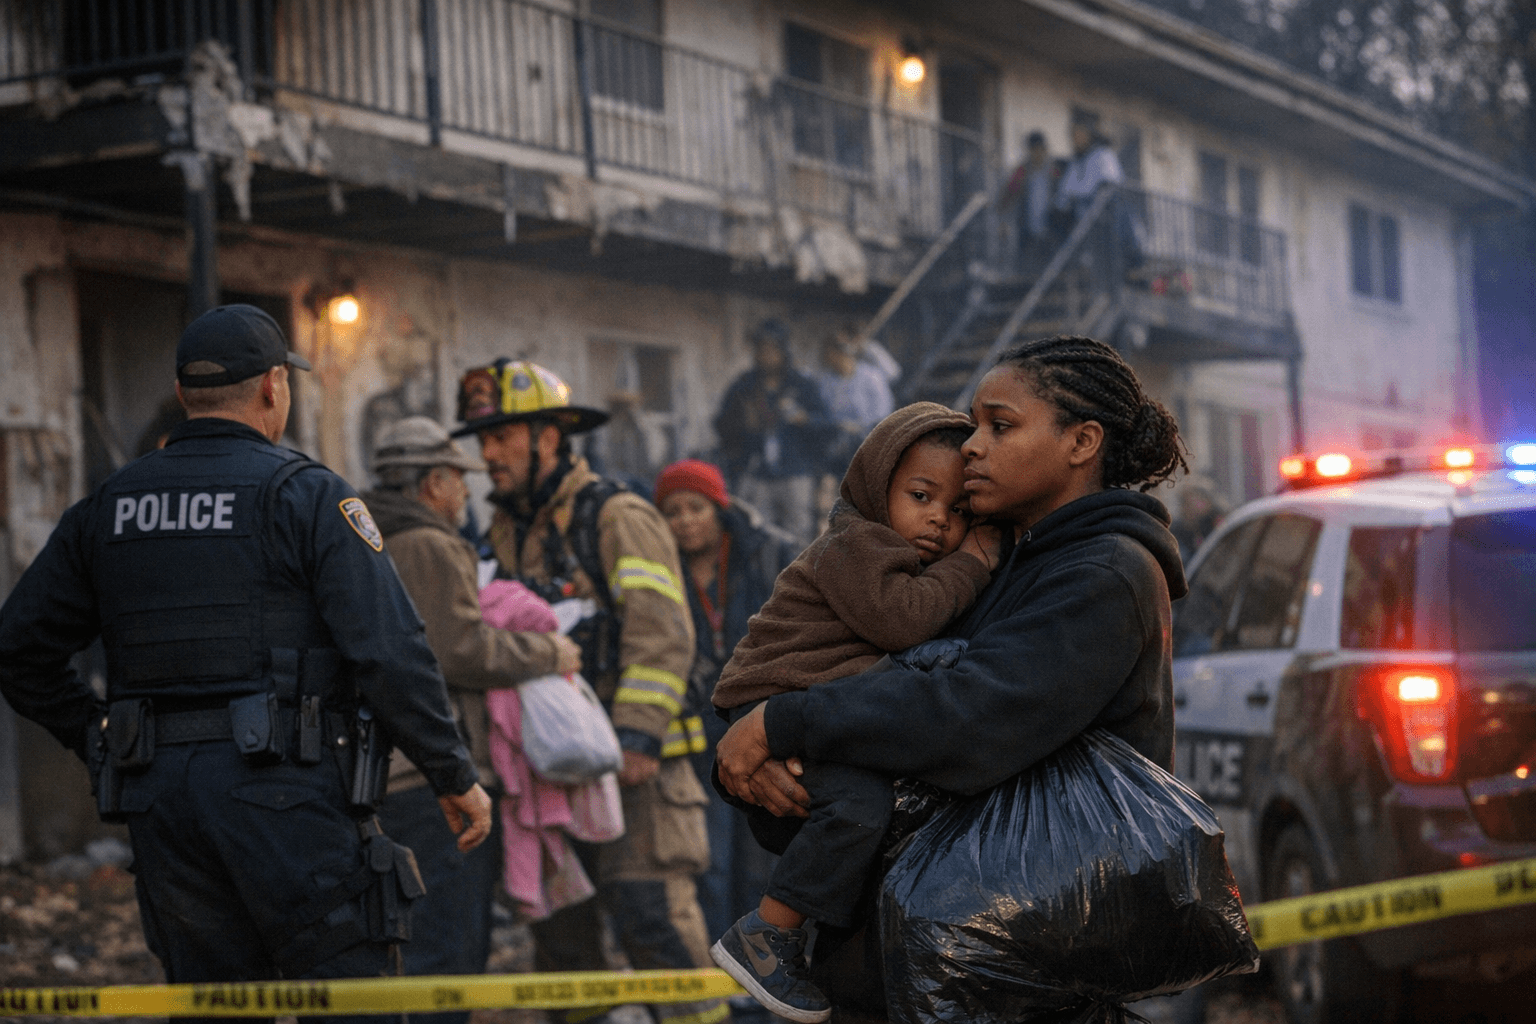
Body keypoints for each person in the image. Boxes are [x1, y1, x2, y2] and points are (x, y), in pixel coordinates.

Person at [0, 305, 492, 1021]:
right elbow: (389, 648)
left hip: (161, 805)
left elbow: (18, 648)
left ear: (183, 392)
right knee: (353, 1001)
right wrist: (453, 773)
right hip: (289, 798)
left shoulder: (108, 506)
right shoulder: (308, 494)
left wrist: (97, 734)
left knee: (219, 1008)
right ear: (272, 386)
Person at [714, 335, 1189, 1013]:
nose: (972, 447)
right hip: (926, 957)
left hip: (1006, 972)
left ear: (1082, 443)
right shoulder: (995, 558)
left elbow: (962, 717)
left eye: (1001, 426)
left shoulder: (1102, 573)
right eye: (976, 425)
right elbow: (878, 726)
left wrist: (783, 723)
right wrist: (771, 767)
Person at [708, 403, 1003, 1023]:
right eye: (921, 496)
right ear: (876, 486)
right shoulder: (856, 543)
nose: (938, 519)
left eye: (958, 511)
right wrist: (972, 562)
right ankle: (767, 934)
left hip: (806, 705)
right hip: (774, 697)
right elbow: (904, 621)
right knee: (858, 807)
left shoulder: (899, 558)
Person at [455, 359, 728, 1024]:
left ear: (547, 437)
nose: (487, 455)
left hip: (638, 776)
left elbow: (662, 635)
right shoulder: (501, 532)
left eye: (501, 437)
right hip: (548, 774)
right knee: (564, 950)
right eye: (483, 439)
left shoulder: (616, 516)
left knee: (654, 925)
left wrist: (635, 738)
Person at [364, 416, 583, 1024]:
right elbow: (459, 649)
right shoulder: (428, 543)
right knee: (450, 952)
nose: (467, 491)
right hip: (430, 781)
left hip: (385, 776)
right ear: (433, 483)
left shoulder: (365, 535)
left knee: (408, 948)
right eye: (458, 478)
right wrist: (550, 652)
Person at [653, 459, 799, 951]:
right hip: (698, 735)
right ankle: (721, 970)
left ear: (718, 508)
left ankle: (766, 965)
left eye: (695, 508)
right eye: (673, 512)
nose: (685, 521)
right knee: (710, 861)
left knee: (764, 859)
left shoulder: (768, 553)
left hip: (763, 728)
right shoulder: (658, 566)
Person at [713, 319, 832, 547]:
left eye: (772, 349)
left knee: (799, 537)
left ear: (783, 351)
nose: (767, 355)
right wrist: (743, 423)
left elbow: (827, 425)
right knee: (757, 533)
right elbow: (721, 426)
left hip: (796, 472)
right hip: (756, 473)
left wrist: (804, 420)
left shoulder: (802, 385)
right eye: (762, 349)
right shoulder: (743, 386)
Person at [814, 327, 895, 483]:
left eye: (833, 354)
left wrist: (859, 427)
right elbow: (826, 411)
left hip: (869, 435)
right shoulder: (826, 381)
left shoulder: (871, 376)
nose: (829, 359)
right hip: (838, 436)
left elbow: (882, 412)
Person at [1003, 131, 1059, 273]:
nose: (1037, 154)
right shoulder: (1022, 171)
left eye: (1040, 149)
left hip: (1049, 228)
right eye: (1034, 150)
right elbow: (1008, 196)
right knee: (1026, 266)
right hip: (1027, 228)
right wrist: (1004, 220)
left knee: (1049, 266)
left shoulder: (1054, 171)